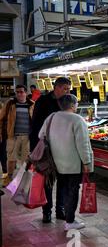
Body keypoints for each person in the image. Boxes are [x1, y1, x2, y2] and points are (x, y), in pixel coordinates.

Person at [39, 94, 93, 231]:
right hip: (72, 164)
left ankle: (61, 214)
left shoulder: (51, 117)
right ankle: (69, 221)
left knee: (62, 189)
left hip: (54, 162)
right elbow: (83, 144)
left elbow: (41, 136)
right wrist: (87, 162)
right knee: (72, 191)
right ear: (73, 105)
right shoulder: (77, 120)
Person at [29, 77, 71, 223]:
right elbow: (35, 126)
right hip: (47, 148)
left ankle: (61, 209)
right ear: (56, 88)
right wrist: (34, 150)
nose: (67, 91)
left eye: (69, 89)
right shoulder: (43, 101)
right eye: (65, 88)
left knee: (63, 180)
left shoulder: (68, 102)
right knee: (47, 181)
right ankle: (46, 211)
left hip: (64, 148)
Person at [0, 85, 34, 187]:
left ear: (26, 93)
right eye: (17, 92)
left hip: (27, 137)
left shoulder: (32, 104)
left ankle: (24, 181)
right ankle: (8, 178)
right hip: (13, 136)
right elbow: (1, 119)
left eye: (21, 92)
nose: (19, 94)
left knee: (26, 160)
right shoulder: (10, 104)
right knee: (11, 159)